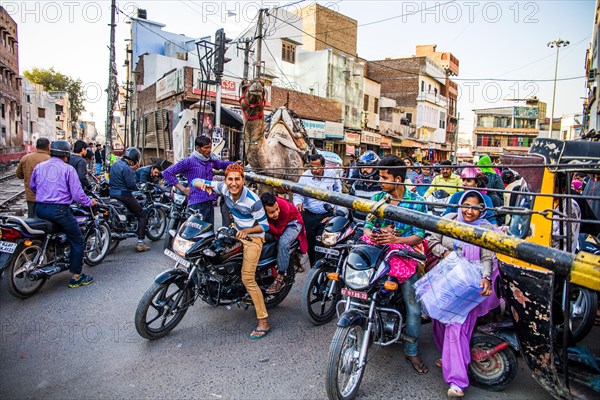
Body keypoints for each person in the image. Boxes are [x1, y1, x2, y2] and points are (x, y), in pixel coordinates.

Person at [428, 190, 501, 398]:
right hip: (447, 280)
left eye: (475, 207)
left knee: (457, 327)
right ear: (459, 205)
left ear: (482, 209)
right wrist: (446, 253)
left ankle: (457, 381)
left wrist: (486, 277)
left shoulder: (486, 229)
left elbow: (488, 258)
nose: (469, 211)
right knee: (439, 321)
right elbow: (432, 241)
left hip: (470, 284)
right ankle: (449, 356)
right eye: (466, 205)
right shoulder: (448, 221)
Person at [362, 154, 429, 375]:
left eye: (384, 177)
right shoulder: (379, 198)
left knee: (413, 306)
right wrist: (375, 234)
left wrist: (396, 240)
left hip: (407, 257)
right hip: (379, 253)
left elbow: (419, 236)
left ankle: (411, 351)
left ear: (398, 179)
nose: (380, 180)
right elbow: (367, 225)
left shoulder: (416, 202)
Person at [192, 164, 271, 339]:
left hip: (254, 237)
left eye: (237, 179)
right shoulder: (224, 188)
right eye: (230, 179)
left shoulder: (253, 200)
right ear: (226, 180)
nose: (233, 183)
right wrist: (202, 185)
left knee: (248, 278)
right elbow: (195, 181)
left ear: (243, 180)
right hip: (235, 232)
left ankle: (263, 321)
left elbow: (264, 226)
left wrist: (247, 231)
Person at [30, 140, 97, 288]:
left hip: (40, 208)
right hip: (59, 211)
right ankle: (76, 277)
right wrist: (89, 202)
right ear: (66, 155)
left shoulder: (39, 167)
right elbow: (78, 194)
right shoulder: (68, 169)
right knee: (78, 239)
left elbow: (33, 186)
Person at [162, 136, 232, 227]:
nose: (209, 150)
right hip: (196, 204)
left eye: (210, 147)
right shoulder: (189, 161)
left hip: (209, 203)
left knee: (208, 234)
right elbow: (166, 173)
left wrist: (235, 165)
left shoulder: (209, 160)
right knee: (194, 235)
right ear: (197, 148)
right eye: (206, 147)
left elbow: (221, 165)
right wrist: (183, 189)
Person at [293, 153, 342, 265]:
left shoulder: (332, 174)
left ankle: (320, 268)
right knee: (311, 245)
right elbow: (298, 194)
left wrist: (337, 211)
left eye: (317, 167)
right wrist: (298, 203)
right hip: (309, 215)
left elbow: (338, 192)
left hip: (326, 215)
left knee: (322, 243)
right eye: (312, 167)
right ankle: (313, 271)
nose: (314, 170)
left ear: (324, 166)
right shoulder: (305, 177)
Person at [260, 193, 308, 294]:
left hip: (293, 223)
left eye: (277, 209)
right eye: (272, 212)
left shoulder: (284, 207)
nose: (276, 213)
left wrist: (264, 223)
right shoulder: (259, 209)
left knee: (283, 243)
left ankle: (280, 276)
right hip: (275, 224)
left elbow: (278, 231)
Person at [109, 147, 149, 252]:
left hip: (112, 194)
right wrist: (134, 172)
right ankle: (140, 242)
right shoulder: (126, 168)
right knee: (141, 215)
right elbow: (131, 185)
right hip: (124, 195)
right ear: (135, 158)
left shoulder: (115, 164)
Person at [16, 137, 50, 218]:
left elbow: (19, 174)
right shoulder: (50, 159)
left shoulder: (25, 158)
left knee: (31, 219)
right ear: (48, 147)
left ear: (36, 146)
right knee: (44, 221)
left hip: (30, 196)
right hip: (46, 197)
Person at [349, 151, 381, 223]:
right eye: (362, 167)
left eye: (368, 167)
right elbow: (349, 203)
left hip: (373, 230)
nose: (364, 170)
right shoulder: (356, 185)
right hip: (356, 226)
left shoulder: (382, 186)